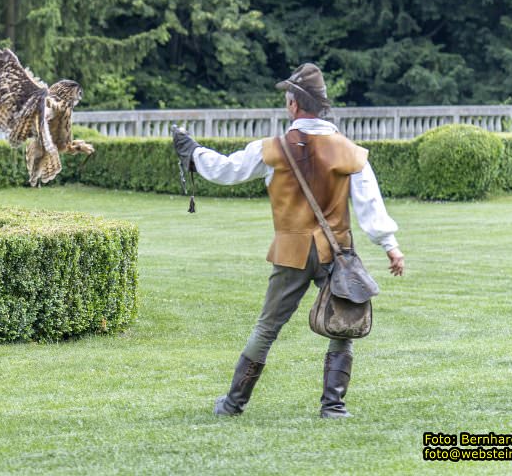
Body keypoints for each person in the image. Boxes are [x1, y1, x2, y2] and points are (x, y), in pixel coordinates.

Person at [172, 63, 405, 418]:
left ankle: (233, 404)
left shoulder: (273, 148)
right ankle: (333, 407)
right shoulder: (349, 151)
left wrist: (193, 151)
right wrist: (390, 245)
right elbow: (370, 203)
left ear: (295, 105)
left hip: (291, 250)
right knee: (342, 324)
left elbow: (226, 170)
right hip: (336, 251)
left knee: (267, 328)